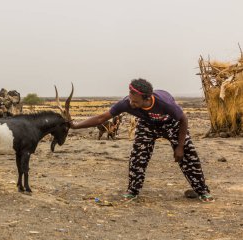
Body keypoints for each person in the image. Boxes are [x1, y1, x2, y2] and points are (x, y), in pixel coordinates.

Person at [70, 78, 214, 202]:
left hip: (172, 124)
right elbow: (101, 118)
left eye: (135, 102)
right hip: (148, 125)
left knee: (189, 156)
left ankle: (202, 191)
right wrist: (75, 126)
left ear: (147, 99)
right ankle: (133, 191)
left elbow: (183, 120)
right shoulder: (126, 103)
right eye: (130, 99)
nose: (131, 104)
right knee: (138, 156)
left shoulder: (164, 103)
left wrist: (180, 147)